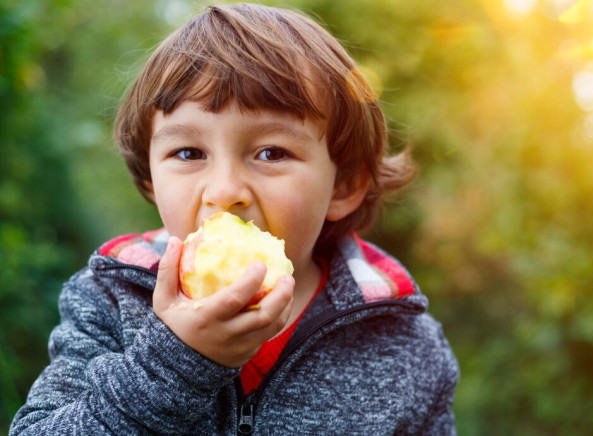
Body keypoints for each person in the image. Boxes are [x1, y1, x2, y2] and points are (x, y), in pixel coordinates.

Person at [10, 3, 459, 435]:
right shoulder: (110, 300)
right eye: (188, 153)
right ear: (150, 179)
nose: (224, 192)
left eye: (271, 152)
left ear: (342, 185)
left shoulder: (405, 344)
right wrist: (176, 362)